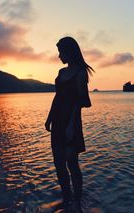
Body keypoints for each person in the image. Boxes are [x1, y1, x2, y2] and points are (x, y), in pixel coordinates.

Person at [45, 36, 94, 211]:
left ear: (69, 51)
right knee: (58, 163)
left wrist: (71, 126)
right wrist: (49, 117)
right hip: (58, 121)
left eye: (60, 51)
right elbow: (57, 97)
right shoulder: (61, 73)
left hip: (71, 123)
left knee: (71, 163)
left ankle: (78, 202)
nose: (59, 56)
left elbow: (84, 101)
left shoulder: (80, 74)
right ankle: (67, 199)